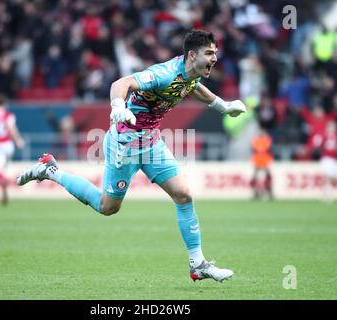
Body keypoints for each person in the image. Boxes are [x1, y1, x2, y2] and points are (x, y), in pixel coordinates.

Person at [16, 30, 246, 282]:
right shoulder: (164, 74)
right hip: (124, 143)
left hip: (151, 141)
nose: (215, 58)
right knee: (107, 207)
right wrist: (118, 106)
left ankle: (198, 264)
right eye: (209, 53)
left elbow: (193, 87)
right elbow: (120, 84)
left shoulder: (189, 74)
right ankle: (51, 171)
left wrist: (222, 105)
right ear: (192, 55)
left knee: (183, 195)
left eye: (215, 52)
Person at [251, 127, 274, 200]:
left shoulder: (266, 140)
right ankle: (256, 193)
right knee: (255, 177)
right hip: (258, 160)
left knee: (267, 177)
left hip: (265, 160)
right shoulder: (256, 140)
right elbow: (255, 149)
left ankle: (269, 192)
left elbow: (268, 147)